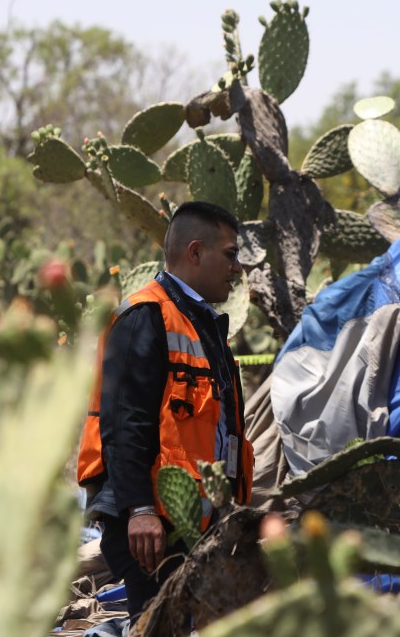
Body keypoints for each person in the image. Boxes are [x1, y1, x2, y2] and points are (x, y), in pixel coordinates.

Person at [76, 201, 255, 623]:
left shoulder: (202, 324)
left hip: (192, 518)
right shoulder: (146, 317)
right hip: (152, 523)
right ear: (195, 252)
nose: (237, 268)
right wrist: (139, 510)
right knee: (156, 625)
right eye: (230, 254)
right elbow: (125, 425)